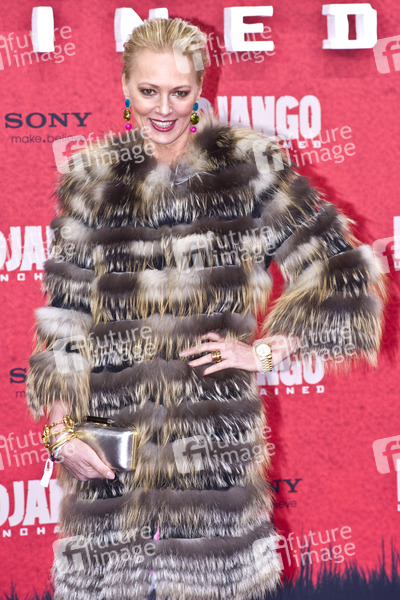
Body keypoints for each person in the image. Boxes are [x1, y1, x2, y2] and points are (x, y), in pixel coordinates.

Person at [26, 16, 386, 600]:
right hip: (110, 440)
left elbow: (343, 273)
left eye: (180, 91)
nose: (164, 108)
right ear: (124, 85)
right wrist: (61, 431)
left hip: (211, 440)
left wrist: (263, 351)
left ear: (200, 87)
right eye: (149, 90)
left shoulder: (247, 169)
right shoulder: (92, 182)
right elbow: (65, 318)